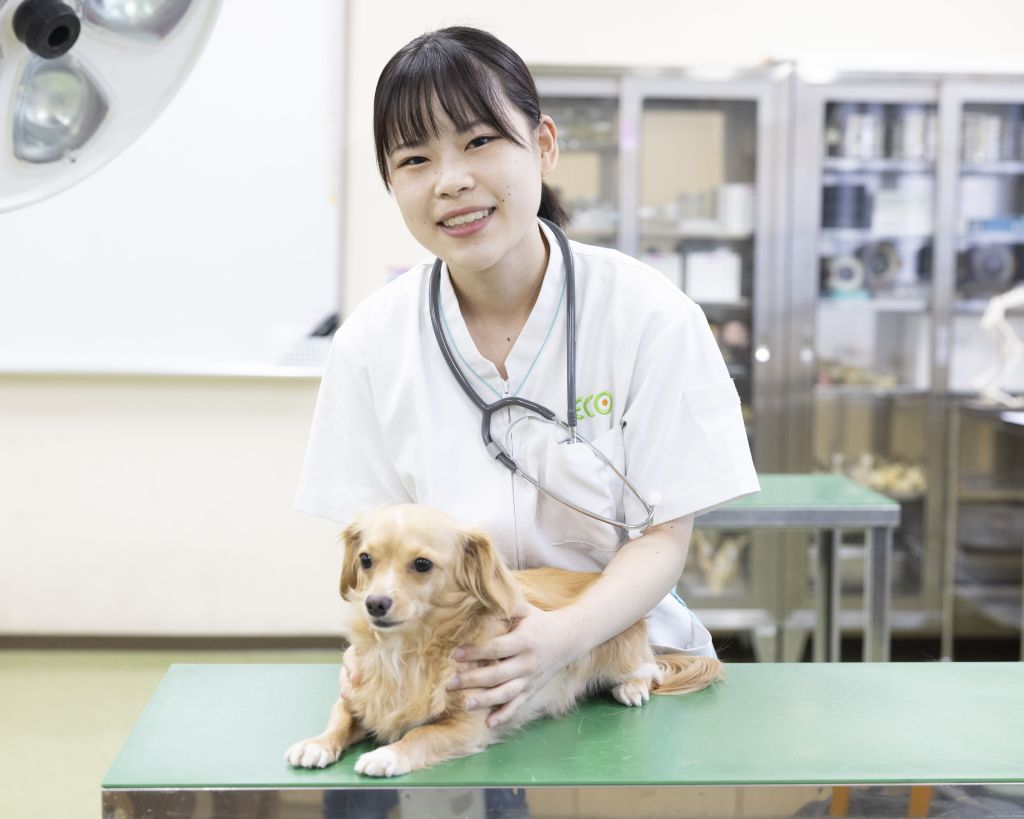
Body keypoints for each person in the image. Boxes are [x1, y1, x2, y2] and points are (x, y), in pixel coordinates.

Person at [296, 25, 759, 736]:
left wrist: (564, 636)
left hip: (623, 669)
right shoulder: (370, 343)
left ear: (542, 145)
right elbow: (377, 558)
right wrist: (380, 648)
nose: (451, 180)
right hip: (456, 685)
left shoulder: (649, 314)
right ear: (392, 183)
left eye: (479, 141)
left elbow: (663, 535)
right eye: (415, 159)